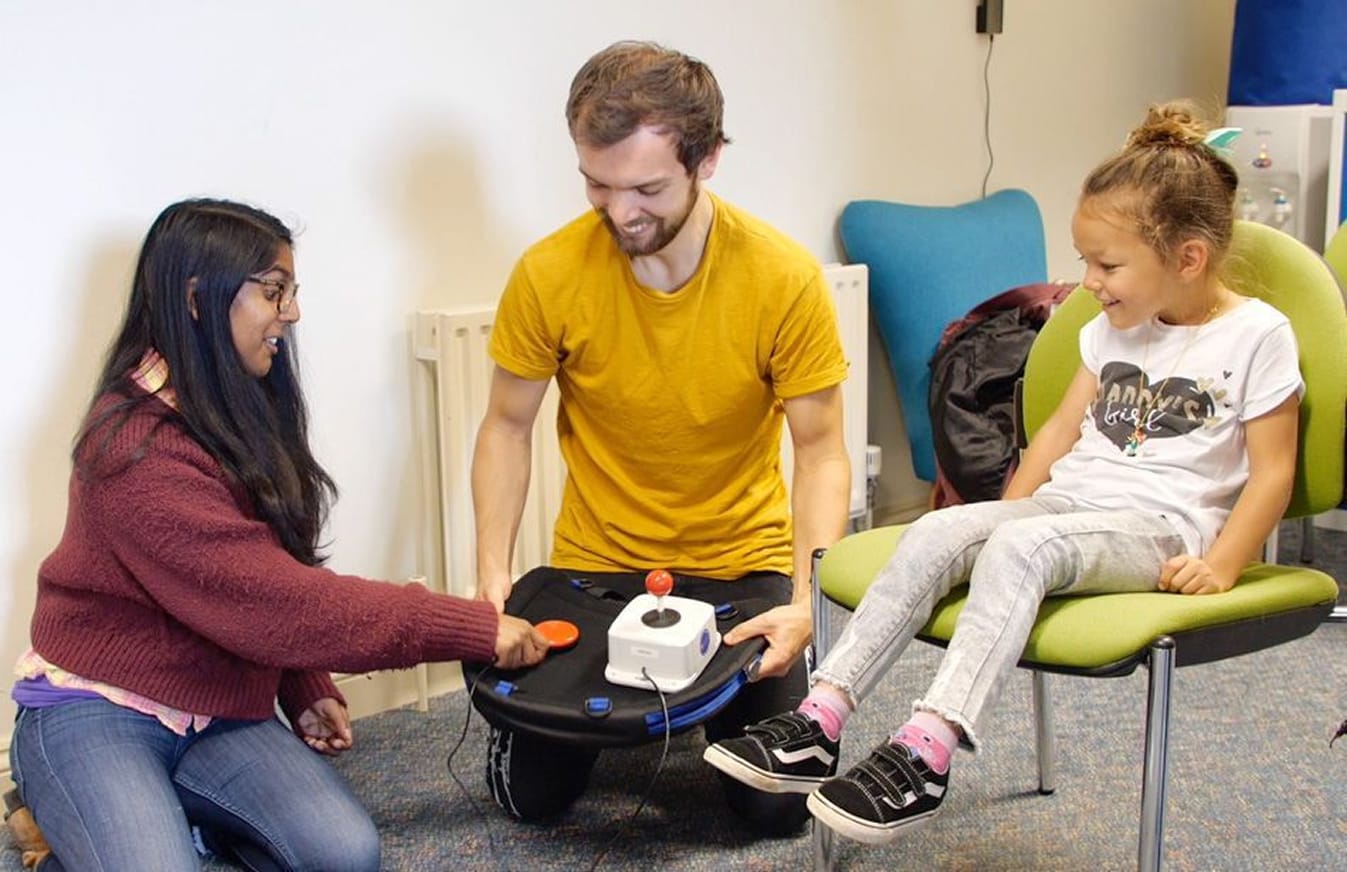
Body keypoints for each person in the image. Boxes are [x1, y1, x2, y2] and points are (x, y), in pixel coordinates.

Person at [704, 100, 1304, 845]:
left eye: (1107, 264)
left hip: (1160, 531)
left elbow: (1273, 472)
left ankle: (926, 750)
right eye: (1086, 260)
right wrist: (993, 519)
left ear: (1187, 258)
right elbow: (1055, 432)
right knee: (938, 533)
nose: (1088, 281)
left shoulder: (1256, 336)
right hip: (1068, 508)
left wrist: (1220, 564)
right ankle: (819, 719)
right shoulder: (1105, 328)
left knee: (1023, 548)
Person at [7, 199, 549, 872]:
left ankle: (161, 824)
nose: (290, 313)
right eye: (273, 291)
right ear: (198, 299)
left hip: (213, 706)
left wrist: (303, 684)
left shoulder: (243, 398)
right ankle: (68, 820)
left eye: (290, 291)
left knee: (343, 854)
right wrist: (468, 626)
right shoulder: (133, 446)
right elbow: (269, 601)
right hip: (96, 708)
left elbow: (263, 567)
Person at [471, 41, 851, 831]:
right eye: (596, 184)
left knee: (774, 809)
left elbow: (819, 451)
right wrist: (491, 577)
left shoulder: (782, 278)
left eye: (645, 187)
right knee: (527, 803)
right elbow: (507, 427)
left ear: (707, 160)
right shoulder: (548, 274)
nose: (618, 212)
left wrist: (806, 601)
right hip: (595, 567)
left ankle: (701, 711)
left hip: (740, 568)